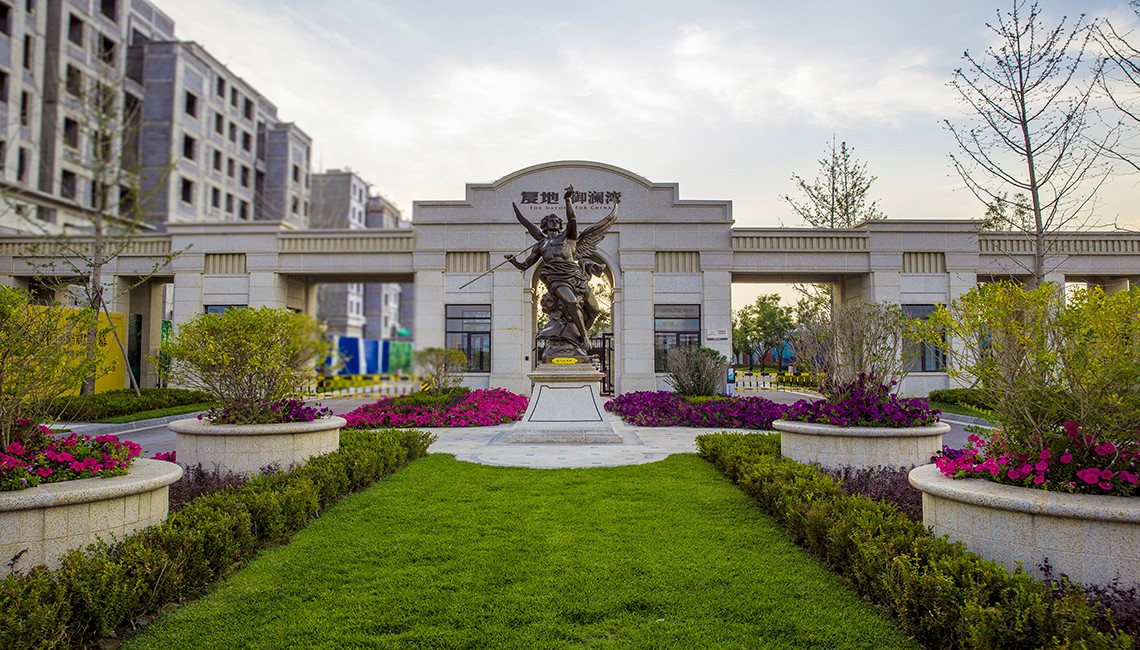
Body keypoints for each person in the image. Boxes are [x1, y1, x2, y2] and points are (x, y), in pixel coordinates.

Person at [506, 185, 618, 362]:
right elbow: (525, 265)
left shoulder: (569, 237)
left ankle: (577, 338)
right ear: (545, 225)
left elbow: (572, 219)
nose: (554, 222)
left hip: (576, 277)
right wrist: (513, 261)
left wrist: (568, 200)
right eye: (550, 220)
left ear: (560, 224)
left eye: (556, 220)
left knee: (595, 309)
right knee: (572, 302)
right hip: (556, 280)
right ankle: (585, 338)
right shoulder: (541, 245)